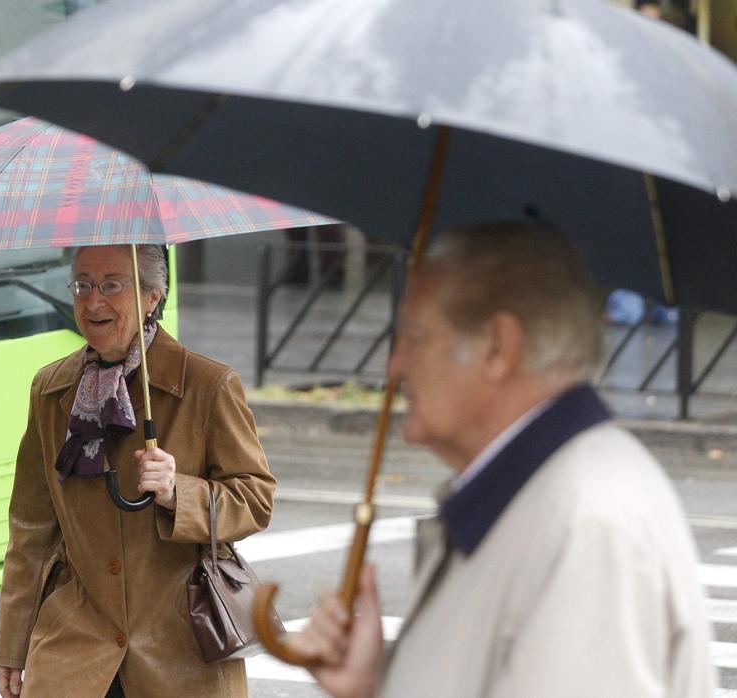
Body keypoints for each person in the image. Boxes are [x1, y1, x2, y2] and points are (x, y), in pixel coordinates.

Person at [290, 222, 715, 697]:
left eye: (413, 336)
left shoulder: (586, 524)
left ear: (497, 346)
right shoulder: (543, 495)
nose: (394, 366)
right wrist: (374, 686)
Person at [0, 245, 276, 697]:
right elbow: (31, 529)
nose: (93, 301)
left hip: (180, 654)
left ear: (152, 297)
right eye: (82, 285)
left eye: (112, 285)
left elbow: (256, 499)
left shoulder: (207, 385)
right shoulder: (51, 389)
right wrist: (12, 645)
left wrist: (177, 491)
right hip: (74, 651)